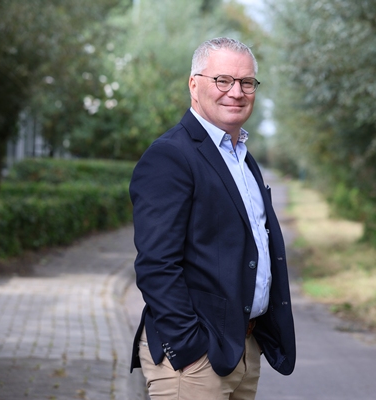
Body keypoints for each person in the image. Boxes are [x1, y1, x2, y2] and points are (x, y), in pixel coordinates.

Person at [129, 37, 296, 399]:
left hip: (243, 347)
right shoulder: (170, 156)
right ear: (194, 84)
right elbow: (156, 264)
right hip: (196, 361)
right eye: (223, 80)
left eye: (246, 82)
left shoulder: (242, 158)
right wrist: (189, 347)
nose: (236, 92)